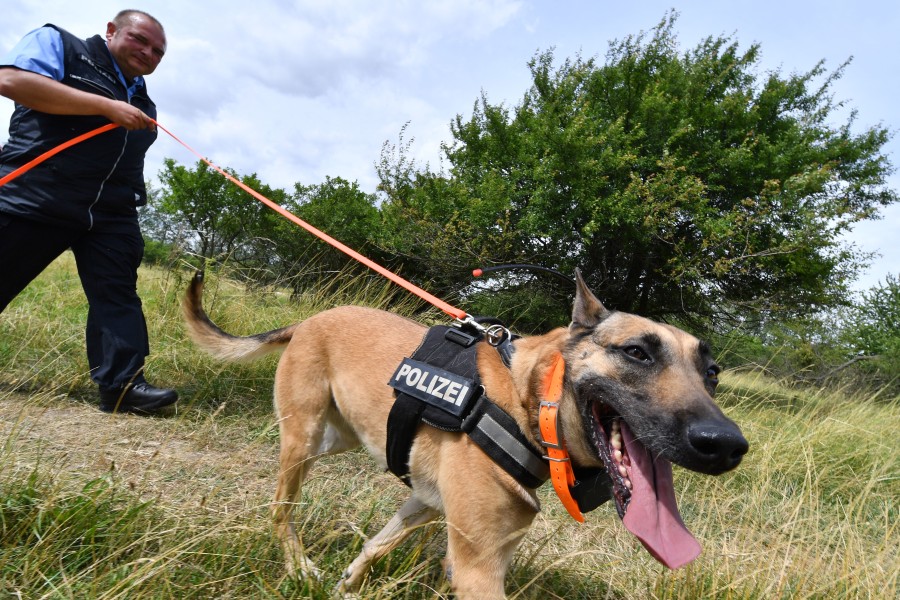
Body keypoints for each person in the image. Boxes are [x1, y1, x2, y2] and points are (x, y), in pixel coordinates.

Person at [0, 10, 177, 415]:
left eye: (158, 52)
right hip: (38, 195)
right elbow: (10, 81)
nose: (148, 53)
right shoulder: (61, 45)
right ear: (111, 31)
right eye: (139, 40)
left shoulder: (142, 98)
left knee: (117, 295)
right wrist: (105, 105)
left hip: (111, 214)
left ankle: (122, 386)